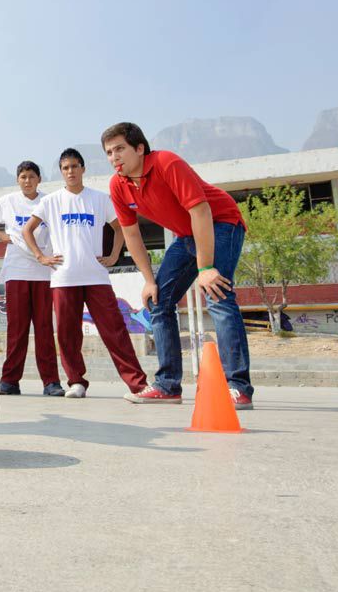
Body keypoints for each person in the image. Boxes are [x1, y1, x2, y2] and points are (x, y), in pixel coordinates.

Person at [101, 121, 253, 408]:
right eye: (109, 152)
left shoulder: (166, 162)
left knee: (217, 295)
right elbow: (131, 234)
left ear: (140, 148)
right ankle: (168, 385)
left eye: (120, 149)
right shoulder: (118, 186)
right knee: (159, 301)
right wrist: (148, 279)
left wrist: (206, 268)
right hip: (185, 235)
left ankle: (238, 387)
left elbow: (201, 210)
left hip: (220, 223)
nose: (114, 157)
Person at [22, 149, 149, 399]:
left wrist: (113, 255)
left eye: (74, 166)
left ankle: (138, 384)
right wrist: (40, 256)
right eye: (65, 168)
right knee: (69, 334)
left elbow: (121, 226)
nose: (70, 171)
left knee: (115, 330)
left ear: (83, 169)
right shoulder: (50, 201)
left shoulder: (100, 199)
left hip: (96, 277)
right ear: (61, 172)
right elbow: (28, 230)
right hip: (63, 277)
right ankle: (76, 382)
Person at [0, 160, 62, 397]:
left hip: (44, 271)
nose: (27, 181)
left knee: (44, 328)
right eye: (23, 177)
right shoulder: (8, 201)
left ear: (39, 179)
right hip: (16, 271)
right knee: (17, 329)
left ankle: (51, 382)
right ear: (18, 180)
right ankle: (10, 380)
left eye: (31, 176)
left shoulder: (49, 201)